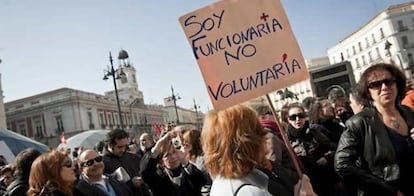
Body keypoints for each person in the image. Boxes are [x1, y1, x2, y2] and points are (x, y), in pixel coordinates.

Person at [335, 63, 414, 196]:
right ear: (368, 92)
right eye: (376, 84)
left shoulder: (410, 113)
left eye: (389, 82)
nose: (384, 87)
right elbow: (342, 165)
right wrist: (387, 190)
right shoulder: (358, 123)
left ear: (397, 85)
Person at [201, 104, 272, 196]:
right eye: (258, 132)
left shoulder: (222, 182)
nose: (264, 137)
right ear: (248, 142)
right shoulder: (249, 192)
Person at [286, 103, 338, 196]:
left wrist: (326, 157)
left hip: (323, 179)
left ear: (305, 117)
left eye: (300, 116)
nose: (297, 120)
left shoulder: (315, 132)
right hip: (304, 183)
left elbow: (334, 148)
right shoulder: (286, 140)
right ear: (288, 119)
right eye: (293, 117)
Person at [140, 126, 207, 196]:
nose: (173, 157)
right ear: (161, 160)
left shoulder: (187, 170)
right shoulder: (159, 176)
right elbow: (145, 173)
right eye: (167, 155)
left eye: (174, 152)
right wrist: (158, 146)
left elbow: (201, 181)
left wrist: (184, 161)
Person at [102, 129, 149, 196]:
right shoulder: (102, 164)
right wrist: (130, 184)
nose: (123, 149)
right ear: (110, 145)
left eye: (125, 146)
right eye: (119, 147)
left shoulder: (134, 158)